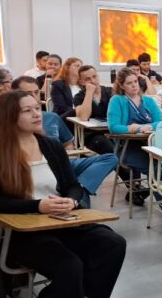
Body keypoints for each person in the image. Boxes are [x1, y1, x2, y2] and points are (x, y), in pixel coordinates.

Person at [0, 90, 126, 298]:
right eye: (28, 110)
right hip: (22, 231)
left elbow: (71, 185)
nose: (37, 114)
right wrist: (37, 206)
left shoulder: (50, 145)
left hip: (60, 221)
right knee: (69, 265)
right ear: (10, 116)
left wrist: (71, 200)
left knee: (113, 243)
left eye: (37, 107)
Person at [10, 76, 118, 207]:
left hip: (63, 161)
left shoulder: (52, 117)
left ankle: (81, 190)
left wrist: (67, 153)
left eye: (36, 92)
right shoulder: (12, 122)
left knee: (110, 158)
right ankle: (78, 198)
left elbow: (68, 143)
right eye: (28, 93)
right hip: (41, 166)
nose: (34, 97)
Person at [108, 67, 162, 204]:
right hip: (128, 148)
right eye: (129, 83)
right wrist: (131, 128)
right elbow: (113, 127)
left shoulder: (148, 101)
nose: (134, 85)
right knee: (156, 168)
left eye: (135, 81)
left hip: (151, 145)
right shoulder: (117, 100)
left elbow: (161, 122)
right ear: (121, 85)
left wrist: (150, 126)